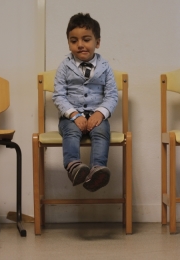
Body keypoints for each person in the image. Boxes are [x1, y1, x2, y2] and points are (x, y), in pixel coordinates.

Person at [52, 13, 118, 192]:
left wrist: (100, 112)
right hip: (70, 118)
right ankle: (74, 166)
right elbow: (58, 95)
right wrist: (73, 114)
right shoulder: (64, 67)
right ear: (68, 43)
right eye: (74, 41)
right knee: (71, 132)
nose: (80, 44)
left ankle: (97, 169)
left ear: (97, 42)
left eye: (86, 39)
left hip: (97, 116)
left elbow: (112, 95)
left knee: (102, 131)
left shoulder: (105, 66)